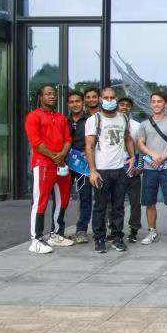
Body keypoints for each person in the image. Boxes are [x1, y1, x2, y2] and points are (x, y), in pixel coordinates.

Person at [85, 87, 135, 253]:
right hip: (102, 169)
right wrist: (93, 170)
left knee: (119, 206)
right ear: (101, 99)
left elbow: (128, 138)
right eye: (106, 97)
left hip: (119, 169)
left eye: (112, 97)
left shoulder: (123, 118)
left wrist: (132, 156)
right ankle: (99, 238)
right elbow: (89, 146)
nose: (109, 100)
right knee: (100, 206)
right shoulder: (94, 120)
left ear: (116, 99)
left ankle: (117, 236)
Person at [25, 84, 74, 253]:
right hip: (43, 165)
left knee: (63, 200)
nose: (52, 96)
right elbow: (36, 143)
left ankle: (56, 234)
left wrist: (62, 155)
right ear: (40, 97)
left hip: (61, 166)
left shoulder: (61, 118)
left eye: (54, 94)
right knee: (40, 201)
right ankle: (36, 240)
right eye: (48, 94)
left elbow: (68, 139)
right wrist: (56, 157)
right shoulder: (33, 116)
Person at [137, 91, 167, 245]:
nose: (156, 104)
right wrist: (153, 155)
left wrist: (162, 157)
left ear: (165, 104)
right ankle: (152, 231)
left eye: (159, 101)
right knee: (149, 202)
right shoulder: (144, 124)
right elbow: (140, 143)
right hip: (150, 168)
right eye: (153, 101)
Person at [67, 91, 92, 244]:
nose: (75, 104)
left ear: (83, 103)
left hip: (83, 164)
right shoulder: (64, 121)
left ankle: (81, 230)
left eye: (77, 101)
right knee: (62, 197)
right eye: (71, 102)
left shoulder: (90, 120)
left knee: (85, 196)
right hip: (65, 164)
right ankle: (58, 230)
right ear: (68, 104)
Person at [118, 97, 143, 243]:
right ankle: (115, 229)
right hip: (115, 168)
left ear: (131, 108)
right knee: (115, 202)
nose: (124, 107)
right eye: (121, 105)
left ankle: (134, 229)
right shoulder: (110, 123)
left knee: (135, 202)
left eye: (127, 105)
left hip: (132, 169)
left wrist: (139, 166)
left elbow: (141, 148)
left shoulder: (137, 126)